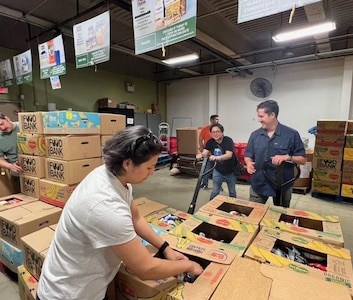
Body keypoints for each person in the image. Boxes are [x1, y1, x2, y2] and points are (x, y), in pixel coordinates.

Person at [37, 126, 203, 300]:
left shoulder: (115, 177)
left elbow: (135, 218)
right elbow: (146, 269)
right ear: (128, 163)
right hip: (68, 294)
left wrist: (165, 248)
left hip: (90, 287)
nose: (153, 173)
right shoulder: (105, 205)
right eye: (149, 167)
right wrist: (189, 266)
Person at [244, 100, 306, 208]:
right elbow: (248, 155)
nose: (259, 120)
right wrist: (248, 163)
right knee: (253, 213)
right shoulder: (255, 135)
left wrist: (288, 157)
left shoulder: (291, 134)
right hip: (259, 183)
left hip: (282, 185)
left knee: (280, 217)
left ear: (272, 115)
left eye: (261, 116)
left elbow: (303, 159)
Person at [196, 123, 236, 200]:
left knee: (232, 192)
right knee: (215, 191)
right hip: (218, 170)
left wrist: (216, 157)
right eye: (213, 132)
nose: (215, 134)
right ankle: (210, 207)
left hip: (230, 171)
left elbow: (229, 155)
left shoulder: (228, 140)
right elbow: (205, 152)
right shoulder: (210, 142)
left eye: (218, 131)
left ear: (222, 132)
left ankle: (233, 209)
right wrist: (200, 155)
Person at [0, 112, 22, 192]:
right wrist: (10, 166)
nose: (2, 128)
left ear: (7, 118)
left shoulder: (24, 126)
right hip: (18, 176)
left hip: (37, 171)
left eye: (2, 123)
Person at [198, 114, 219, 189]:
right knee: (206, 169)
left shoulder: (219, 129)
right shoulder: (205, 129)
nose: (217, 121)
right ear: (211, 120)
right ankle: (205, 184)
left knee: (217, 171)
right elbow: (200, 139)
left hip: (216, 153)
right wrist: (201, 148)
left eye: (218, 119)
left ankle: (217, 185)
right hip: (208, 153)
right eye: (216, 119)